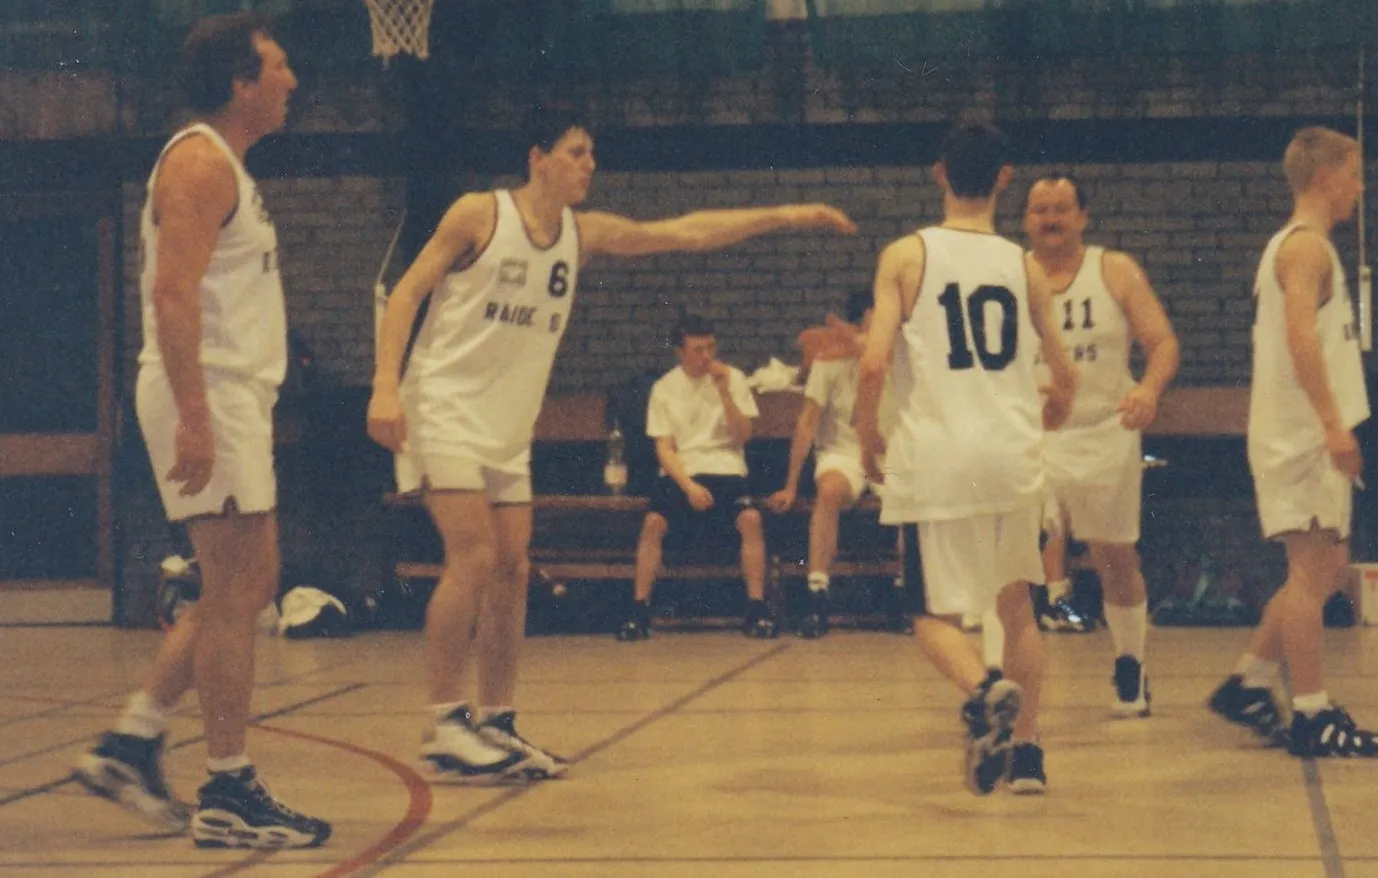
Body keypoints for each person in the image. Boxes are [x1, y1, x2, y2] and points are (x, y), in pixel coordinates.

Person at [367, 109, 854, 781]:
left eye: (592, 152)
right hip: (441, 405)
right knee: (474, 556)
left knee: (512, 568)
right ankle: (447, 722)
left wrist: (788, 214)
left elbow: (682, 233)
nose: (589, 163)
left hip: (507, 426)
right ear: (538, 157)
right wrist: (384, 387)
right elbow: (405, 294)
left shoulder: (581, 233)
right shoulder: (478, 215)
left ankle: (497, 723)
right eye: (576, 151)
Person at [71, 13, 331, 848]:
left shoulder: (226, 166)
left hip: (227, 394)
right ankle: (228, 788)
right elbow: (172, 296)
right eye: (280, 67)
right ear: (240, 83)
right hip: (206, 391)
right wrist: (193, 414)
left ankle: (134, 740)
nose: (292, 80)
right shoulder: (196, 164)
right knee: (235, 591)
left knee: (247, 583)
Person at [856, 120, 1077, 795]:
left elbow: (871, 363)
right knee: (1018, 608)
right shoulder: (1024, 265)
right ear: (1005, 179)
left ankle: (983, 690)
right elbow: (1064, 374)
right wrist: (1054, 410)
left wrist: (868, 435)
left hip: (940, 455)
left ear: (938, 174)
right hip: (1011, 456)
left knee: (930, 617)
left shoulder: (904, 255)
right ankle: (1029, 756)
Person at [1205, 127, 1378, 760]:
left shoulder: (1298, 247)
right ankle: (1312, 714)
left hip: (1300, 431)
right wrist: (1334, 426)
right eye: (1354, 174)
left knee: (1329, 568)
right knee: (1312, 575)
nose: (1360, 188)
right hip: (1302, 436)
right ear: (1324, 177)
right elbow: (1301, 340)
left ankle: (1249, 682)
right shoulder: (1306, 248)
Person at [1022, 171, 1180, 718]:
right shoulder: (1011, 275)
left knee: (1114, 557)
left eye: (1061, 208)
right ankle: (1005, 681)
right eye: (1040, 209)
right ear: (1026, 220)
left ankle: (1130, 663)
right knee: (1013, 555)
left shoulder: (1114, 269)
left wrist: (1149, 389)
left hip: (1102, 429)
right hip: (1031, 435)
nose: (1050, 218)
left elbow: (1162, 343)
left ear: (1083, 217)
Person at [623, 317, 771, 640]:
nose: (706, 356)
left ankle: (756, 608)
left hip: (727, 468)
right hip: (683, 472)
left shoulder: (733, 378)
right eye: (697, 349)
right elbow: (663, 447)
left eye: (710, 347)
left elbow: (744, 435)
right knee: (652, 523)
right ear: (680, 352)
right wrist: (688, 486)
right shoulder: (664, 387)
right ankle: (639, 610)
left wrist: (725, 393)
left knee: (750, 519)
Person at [766, 290, 882, 638]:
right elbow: (806, 422)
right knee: (829, 490)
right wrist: (790, 483)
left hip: (888, 453)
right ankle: (817, 592)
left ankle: (903, 592)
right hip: (842, 453)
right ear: (862, 321)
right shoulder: (829, 362)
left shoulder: (902, 355)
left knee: (912, 494)